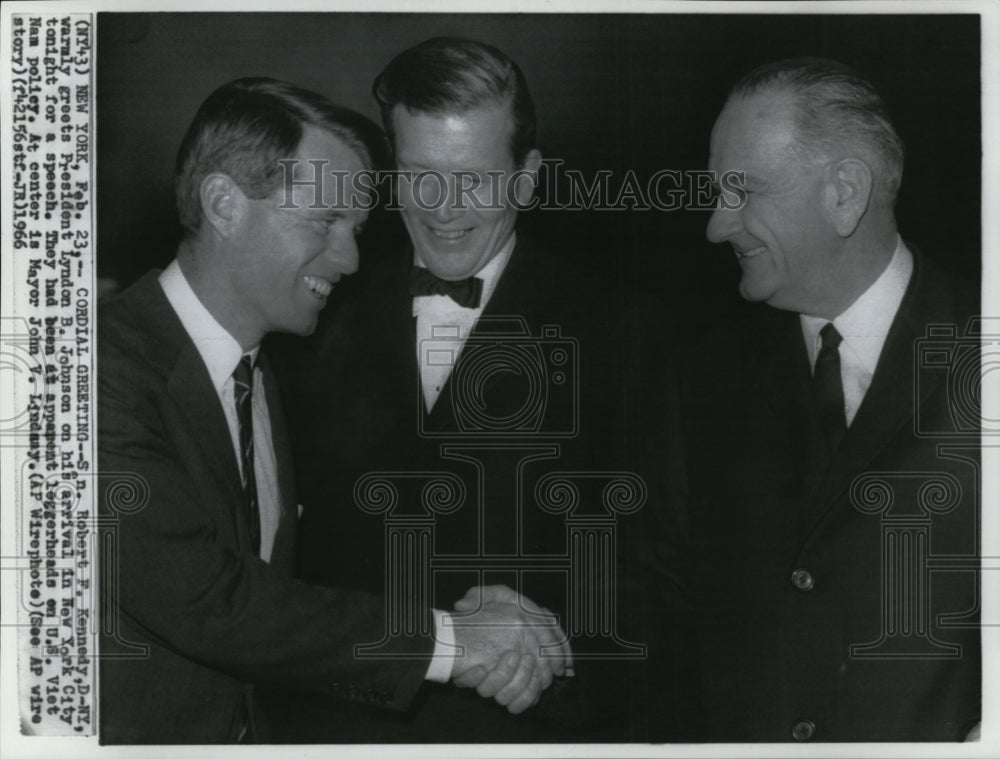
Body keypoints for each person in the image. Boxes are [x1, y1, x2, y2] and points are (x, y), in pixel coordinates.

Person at [96, 76, 570, 745]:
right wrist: (455, 641)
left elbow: (310, 589)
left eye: (356, 226)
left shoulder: (275, 370)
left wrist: (481, 612)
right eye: (325, 221)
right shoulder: (91, 370)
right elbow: (211, 601)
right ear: (225, 204)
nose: (350, 257)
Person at [270, 38, 626, 741]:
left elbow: (667, 572)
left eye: (474, 179)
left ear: (527, 179)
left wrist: (555, 643)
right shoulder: (308, 311)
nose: (442, 208)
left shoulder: (627, 331)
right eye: (418, 176)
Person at [641, 57, 980, 741]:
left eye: (742, 190)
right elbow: (658, 624)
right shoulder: (700, 379)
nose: (715, 225)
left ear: (845, 192)